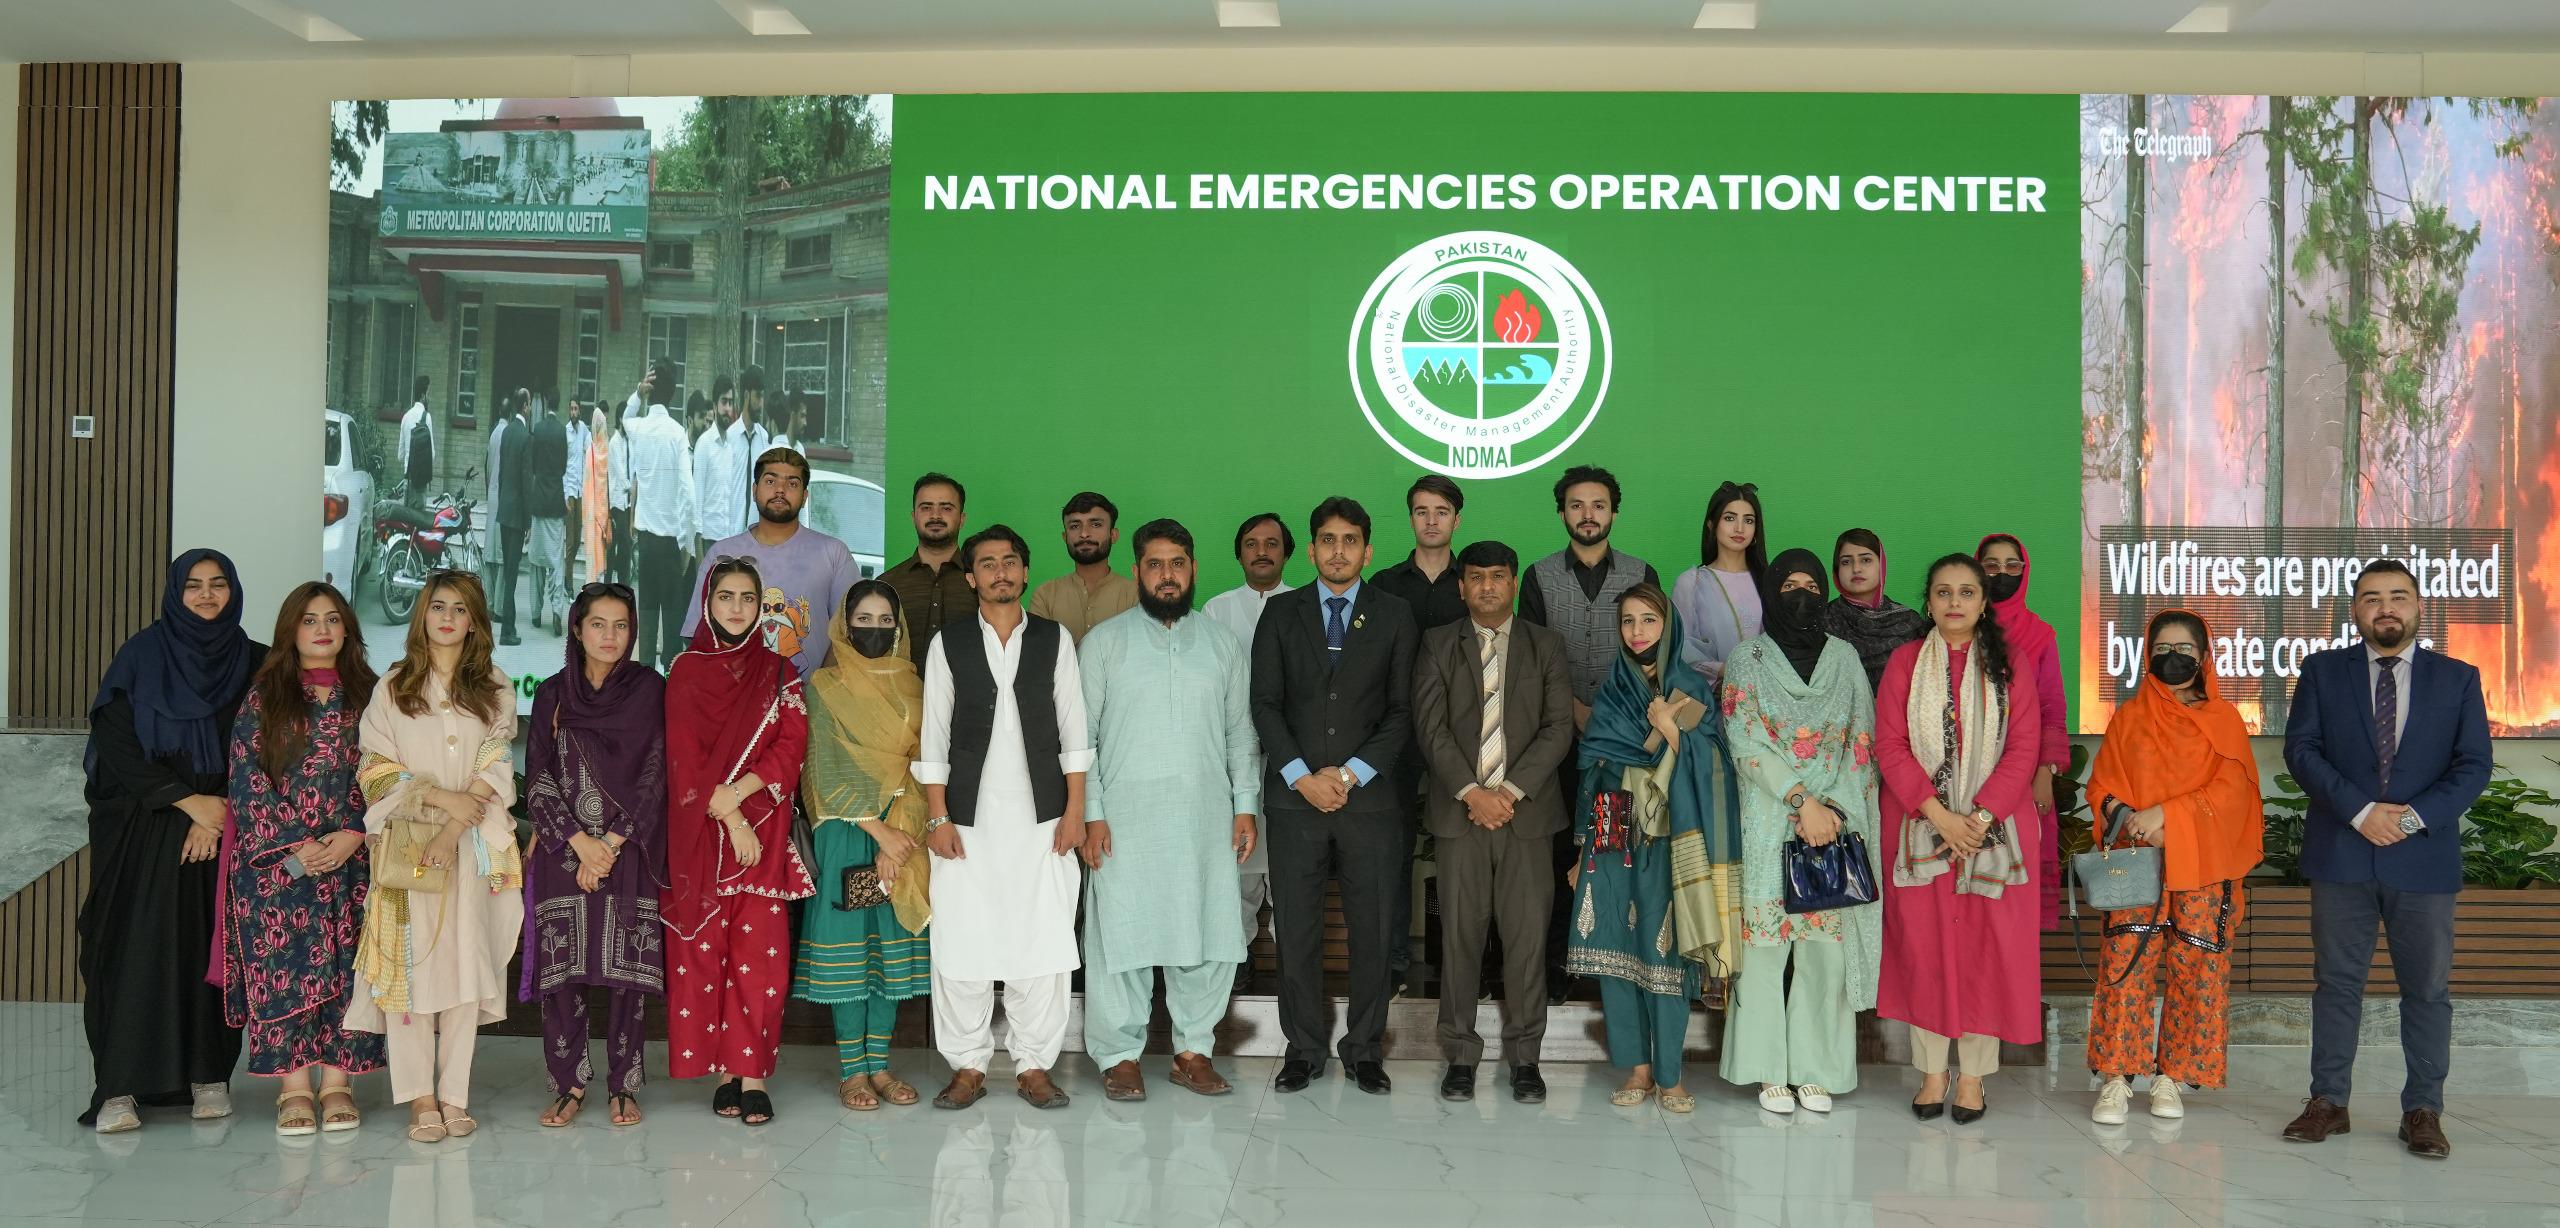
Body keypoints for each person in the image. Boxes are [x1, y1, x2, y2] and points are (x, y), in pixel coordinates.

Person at [2279, 560, 2492, 1159]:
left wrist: (2411, 816)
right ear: (2354, 611)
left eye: (2398, 596)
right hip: (2341, 852)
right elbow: (2302, 749)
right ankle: (2329, 1102)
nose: (2385, 607)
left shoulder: (2459, 678)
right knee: (2336, 986)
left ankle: (2423, 1110)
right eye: (2371, 598)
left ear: (2420, 606)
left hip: (2422, 859)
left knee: (2426, 989)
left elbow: (2472, 764)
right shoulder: (2322, 671)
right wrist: (2360, 811)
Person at [1076, 519, 1260, 1100]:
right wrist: (1093, 812)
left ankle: (1192, 1050)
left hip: (1204, 815)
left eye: (1177, 563)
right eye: (1154, 564)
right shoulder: (1104, 643)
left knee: (1204, 929)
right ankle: (1120, 1055)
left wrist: (1245, 806)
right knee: (1119, 934)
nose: (1167, 575)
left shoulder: (1220, 644)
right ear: (1137, 571)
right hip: (1122, 817)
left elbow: (1240, 734)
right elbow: (1084, 740)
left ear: (1194, 568)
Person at [915, 525, 1091, 1112]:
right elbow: (933, 732)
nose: (999, 572)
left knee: (1040, 935)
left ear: (1024, 571)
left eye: (1009, 562)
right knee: (963, 936)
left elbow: (1075, 728)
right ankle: (967, 1065)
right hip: (965, 819)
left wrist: (1075, 811)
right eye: (987, 564)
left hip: (1042, 818)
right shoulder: (950, 642)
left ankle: (1035, 1063)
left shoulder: (1053, 638)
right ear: (972, 578)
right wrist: (937, 816)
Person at [79, 549, 256, 1132]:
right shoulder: (142, 655)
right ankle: (120, 1088)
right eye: (194, 586)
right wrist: (188, 805)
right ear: (175, 594)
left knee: (211, 950)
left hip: (226, 826)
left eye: (218, 585)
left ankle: (208, 1074)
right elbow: (116, 741)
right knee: (136, 948)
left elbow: (270, 746)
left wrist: (217, 815)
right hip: (146, 827)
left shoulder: (255, 662)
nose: (206, 596)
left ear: (234, 592)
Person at [346, 571, 526, 1144]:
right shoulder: (393, 686)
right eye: (437, 607)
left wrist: (452, 826)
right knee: (413, 970)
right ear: (422, 614)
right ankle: (419, 1097)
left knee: (465, 971)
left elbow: (496, 764)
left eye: (460, 609)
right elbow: (374, 768)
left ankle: (454, 1095)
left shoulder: (494, 684)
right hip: (407, 849)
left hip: (470, 849)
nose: (447, 617)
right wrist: (433, 797)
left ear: (474, 621)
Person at [1252, 497, 1417, 1097]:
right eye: (1327, 539)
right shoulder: (1281, 613)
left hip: (1368, 803)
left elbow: (1402, 713)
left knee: (1371, 931)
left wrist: (1347, 777)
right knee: (1296, 930)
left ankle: (1365, 1049)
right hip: (1295, 801)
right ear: (1313, 547)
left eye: (1350, 540)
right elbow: (1264, 705)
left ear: (1367, 550)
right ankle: (1303, 1049)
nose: (1338, 550)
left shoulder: (1395, 614)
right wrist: (1302, 776)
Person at [1874, 555, 2044, 1124]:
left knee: (1983, 955)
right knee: (1925, 952)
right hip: (1920, 833)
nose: (1954, 602)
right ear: (1928, 602)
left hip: (1993, 835)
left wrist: (1978, 816)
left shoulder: (2011, 662)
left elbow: (2024, 746)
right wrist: (1939, 815)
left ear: (1982, 602)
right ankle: (1930, 1075)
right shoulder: (1905, 662)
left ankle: (1971, 1079)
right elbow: (1890, 745)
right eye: (1943, 592)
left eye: (1966, 592)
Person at [1716, 549, 1882, 1115]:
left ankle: (1816, 1069)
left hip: (1833, 822)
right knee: (1762, 952)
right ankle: (1766, 1070)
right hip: (1769, 819)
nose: (1803, 595)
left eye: (1812, 584)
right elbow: (1743, 739)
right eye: (1790, 585)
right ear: (1770, 592)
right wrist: (1799, 800)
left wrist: (1828, 808)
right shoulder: (1747, 658)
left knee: (1824, 953)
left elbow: (1863, 742)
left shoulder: (1845, 658)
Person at [2085, 609, 2263, 1126]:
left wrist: (2169, 817)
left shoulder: (2224, 721)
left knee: (2198, 970)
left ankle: (2172, 1077)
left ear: (2204, 658)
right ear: (2147, 653)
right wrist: (2137, 822)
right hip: (2137, 862)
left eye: (2186, 648)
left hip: (2204, 865)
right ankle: (2117, 1077)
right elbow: (2102, 788)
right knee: (2125, 967)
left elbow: (2234, 793)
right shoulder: (2129, 718)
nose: (2174, 656)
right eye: (2163, 646)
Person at [220, 581, 385, 1135]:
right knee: (287, 972)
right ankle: (293, 1089)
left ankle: (338, 1083)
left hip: (352, 862)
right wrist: (298, 846)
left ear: (347, 630)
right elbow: (247, 779)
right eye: (310, 619)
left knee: (347, 972)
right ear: (291, 630)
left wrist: (356, 833)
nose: (322, 629)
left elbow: (389, 772)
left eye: (333, 619)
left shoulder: (371, 696)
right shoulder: (263, 698)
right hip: (277, 869)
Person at [1565, 583, 1736, 1115]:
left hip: (1670, 840)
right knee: (1615, 956)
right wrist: (1579, 851)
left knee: (1666, 956)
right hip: (1612, 837)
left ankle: (1670, 1074)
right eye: (1629, 622)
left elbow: (1717, 767)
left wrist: (1674, 731)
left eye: (1649, 621)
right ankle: (1635, 1069)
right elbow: (1593, 772)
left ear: (1670, 627)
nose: (1638, 632)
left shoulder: (1691, 688)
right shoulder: (1614, 690)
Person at [1413, 540, 1572, 1104]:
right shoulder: (1437, 644)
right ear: (1461, 586)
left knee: (1527, 942)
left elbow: (1558, 727)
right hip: (1462, 818)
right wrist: (1471, 793)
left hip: (1525, 816)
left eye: (1498, 576)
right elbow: (1429, 728)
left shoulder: (1545, 645)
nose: (1486, 586)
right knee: (1459, 939)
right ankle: (1459, 1056)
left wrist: (1506, 791)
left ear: (1513, 583)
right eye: (1475, 577)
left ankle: (1525, 1058)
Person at [662, 558, 816, 1127]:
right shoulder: (685, 670)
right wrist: (729, 816)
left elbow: (790, 748)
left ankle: (752, 1075)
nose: (735, 607)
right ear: (708, 602)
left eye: (747, 598)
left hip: (765, 838)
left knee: (760, 962)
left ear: (760, 605)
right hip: (703, 838)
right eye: (725, 596)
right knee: (705, 959)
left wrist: (739, 797)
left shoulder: (780, 672)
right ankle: (722, 1071)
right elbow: (682, 758)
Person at [522, 582, 666, 1129]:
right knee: (564, 975)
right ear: (577, 630)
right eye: (597, 624)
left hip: (627, 849)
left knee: (627, 974)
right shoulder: (553, 692)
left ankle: (624, 1084)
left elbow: (657, 771)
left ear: (633, 632)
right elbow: (536, 774)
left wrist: (610, 843)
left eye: (621, 625)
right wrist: (577, 842)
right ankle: (569, 1083)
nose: (609, 636)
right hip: (563, 850)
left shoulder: (650, 689)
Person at [796, 580, 933, 1111]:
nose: (873, 630)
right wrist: (879, 834)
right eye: (864, 620)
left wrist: (900, 837)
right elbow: (824, 769)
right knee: (853, 960)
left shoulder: (915, 685)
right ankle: (852, 1072)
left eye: (884, 621)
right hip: (848, 833)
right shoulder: (825, 686)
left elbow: (923, 765)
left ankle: (881, 1067)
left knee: (888, 957)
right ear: (844, 625)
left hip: (905, 834)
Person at [1372, 473, 1469, 994]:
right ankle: (1390, 966)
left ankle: (1465, 965)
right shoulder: (1385, 586)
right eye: (1421, 511)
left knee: (1465, 855)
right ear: (1410, 518)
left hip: (1463, 742)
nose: (1431, 520)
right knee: (1392, 853)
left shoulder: (1473, 581)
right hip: (1398, 741)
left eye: (1441, 511)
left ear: (1456, 519)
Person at [1204, 511, 1295, 976]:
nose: (1262, 551)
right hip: (1231, 757)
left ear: (1288, 552)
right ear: (1239, 553)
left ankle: (1291, 958)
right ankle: (1235, 957)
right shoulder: (1216, 610)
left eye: (1272, 543)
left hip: (1292, 758)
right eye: (1252, 543)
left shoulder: (1306, 605)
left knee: (1287, 862)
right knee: (1236, 862)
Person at [680, 447, 858, 677]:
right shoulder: (722, 554)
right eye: (770, 481)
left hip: (811, 703)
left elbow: (847, 635)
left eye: (792, 483)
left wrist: (818, 692)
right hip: (735, 702)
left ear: (805, 497)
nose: (780, 490)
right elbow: (698, 635)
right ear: (755, 490)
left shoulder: (833, 554)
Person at [1976, 533, 2069, 931]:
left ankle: (2017, 990)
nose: (2002, 574)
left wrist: (2044, 773)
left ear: (2025, 571)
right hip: (1967, 771)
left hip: (2024, 773)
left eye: (2012, 566)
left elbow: (2051, 705)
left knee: (2019, 883)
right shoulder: (1958, 628)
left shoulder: (2040, 634)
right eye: (1991, 566)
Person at [1521, 465, 1660, 719]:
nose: (1588, 515)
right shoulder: (1537, 576)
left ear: (1614, 513)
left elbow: (1654, 655)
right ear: (1562, 514)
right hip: (1554, 724)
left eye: (1598, 506)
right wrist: (1574, 710)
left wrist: (1612, 711)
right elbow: (1531, 659)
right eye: (1576, 506)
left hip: (1628, 721)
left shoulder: (1642, 574)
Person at [623, 360, 696, 669]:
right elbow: (688, 497)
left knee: (648, 619)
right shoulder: (678, 434)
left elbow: (626, 417)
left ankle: (645, 688)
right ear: (674, 393)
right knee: (672, 622)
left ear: (651, 390)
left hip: (647, 543)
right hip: (669, 545)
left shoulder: (639, 428)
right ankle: (669, 688)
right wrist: (686, 546)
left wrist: (637, 395)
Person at [1671, 480, 1767, 690]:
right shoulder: (1692, 582)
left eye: (1748, 520)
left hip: (1767, 702)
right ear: (1712, 524)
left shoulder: (1769, 581)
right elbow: (1680, 647)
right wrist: (1728, 670)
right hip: (1714, 704)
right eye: (1729, 518)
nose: (1739, 528)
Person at [1823, 528, 1929, 691]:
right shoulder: (1823, 620)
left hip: (1897, 714)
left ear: (1881, 565)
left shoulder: (1909, 623)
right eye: (1846, 562)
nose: (1856, 568)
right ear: (1836, 571)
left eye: (1866, 560)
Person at [1027, 491, 1139, 642]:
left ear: (1113, 535)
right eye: (1074, 526)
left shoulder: (1135, 595)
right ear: (1065, 537)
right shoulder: (1045, 596)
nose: (1084, 534)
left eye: (1095, 524)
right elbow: (1039, 654)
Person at [888, 472, 972, 664]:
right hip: (899, 694)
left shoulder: (981, 583)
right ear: (913, 516)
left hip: (967, 694)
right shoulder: (887, 585)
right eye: (926, 508)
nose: (935, 516)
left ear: (962, 518)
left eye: (947, 508)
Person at [692, 377, 750, 571]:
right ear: (715, 406)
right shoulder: (704, 445)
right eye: (724, 402)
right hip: (708, 544)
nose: (728, 408)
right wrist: (700, 559)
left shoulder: (730, 448)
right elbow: (696, 503)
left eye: (731, 402)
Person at [489, 391, 533, 646]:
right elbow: (526, 482)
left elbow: (503, 472)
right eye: (528, 406)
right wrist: (528, 520)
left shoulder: (506, 432)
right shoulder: (526, 437)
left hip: (504, 511)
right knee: (512, 574)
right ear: (525, 406)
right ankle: (507, 629)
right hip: (517, 515)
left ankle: (509, 623)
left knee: (508, 570)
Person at [528, 393, 572, 632]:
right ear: (560, 406)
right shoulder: (561, 432)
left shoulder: (538, 428)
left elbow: (533, 464)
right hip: (555, 500)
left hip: (538, 500)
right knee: (556, 560)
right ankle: (557, 610)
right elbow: (564, 465)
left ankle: (536, 612)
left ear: (545, 404)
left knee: (536, 560)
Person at [579, 399, 615, 584]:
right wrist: (604, 518)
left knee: (593, 560)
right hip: (602, 515)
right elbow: (604, 486)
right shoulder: (606, 451)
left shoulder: (590, 451)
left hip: (591, 515)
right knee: (602, 562)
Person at [564, 400, 593, 583]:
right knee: (570, 540)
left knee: (576, 540)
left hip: (581, 491)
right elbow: (562, 465)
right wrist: (564, 495)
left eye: (576, 409)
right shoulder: (565, 432)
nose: (573, 412)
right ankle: (567, 582)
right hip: (569, 492)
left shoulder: (583, 429)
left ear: (580, 411)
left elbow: (592, 449)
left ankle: (566, 572)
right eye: (571, 409)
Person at [399, 375, 436, 496]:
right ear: (422, 395)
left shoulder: (405, 417)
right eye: (428, 393)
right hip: (420, 481)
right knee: (419, 514)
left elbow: (400, 455)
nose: (429, 398)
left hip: (407, 477)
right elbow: (432, 454)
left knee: (406, 514)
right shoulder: (426, 417)